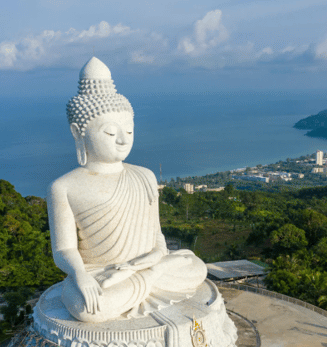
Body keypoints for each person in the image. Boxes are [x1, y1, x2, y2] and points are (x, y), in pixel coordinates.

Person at [47, 57, 207, 323]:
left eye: (129, 131)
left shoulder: (144, 175)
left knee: (196, 267)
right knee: (88, 308)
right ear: (78, 132)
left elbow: (158, 239)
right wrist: (82, 277)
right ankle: (143, 282)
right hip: (100, 274)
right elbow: (63, 250)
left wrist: (137, 268)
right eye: (110, 133)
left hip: (146, 267)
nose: (123, 140)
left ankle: (149, 280)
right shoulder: (63, 186)